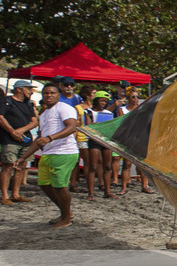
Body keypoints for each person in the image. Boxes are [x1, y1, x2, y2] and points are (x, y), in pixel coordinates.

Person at [21, 83, 79, 227]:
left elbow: (72, 127)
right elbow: (40, 139)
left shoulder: (64, 108)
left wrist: (50, 138)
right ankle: (66, 212)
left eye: (52, 93)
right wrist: (23, 157)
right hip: (48, 152)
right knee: (44, 184)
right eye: (46, 93)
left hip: (64, 152)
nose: (49, 95)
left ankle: (66, 219)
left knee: (60, 186)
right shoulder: (44, 113)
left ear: (58, 94)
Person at [1, 80, 39, 206]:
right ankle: (5, 196)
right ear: (19, 89)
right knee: (8, 166)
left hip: (25, 139)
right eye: (28, 89)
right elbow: (0, 117)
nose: (31, 91)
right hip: (8, 139)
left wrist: (20, 131)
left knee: (22, 165)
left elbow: (34, 121)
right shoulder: (6, 101)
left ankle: (15, 194)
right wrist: (12, 132)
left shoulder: (28, 104)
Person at [84, 91, 117, 198]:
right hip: (94, 139)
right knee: (93, 166)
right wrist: (97, 125)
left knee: (107, 166)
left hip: (105, 139)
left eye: (105, 101)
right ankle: (91, 193)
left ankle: (107, 191)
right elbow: (88, 126)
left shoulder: (107, 113)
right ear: (96, 100)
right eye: (101, 100)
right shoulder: (88, 111)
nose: (103, 103)